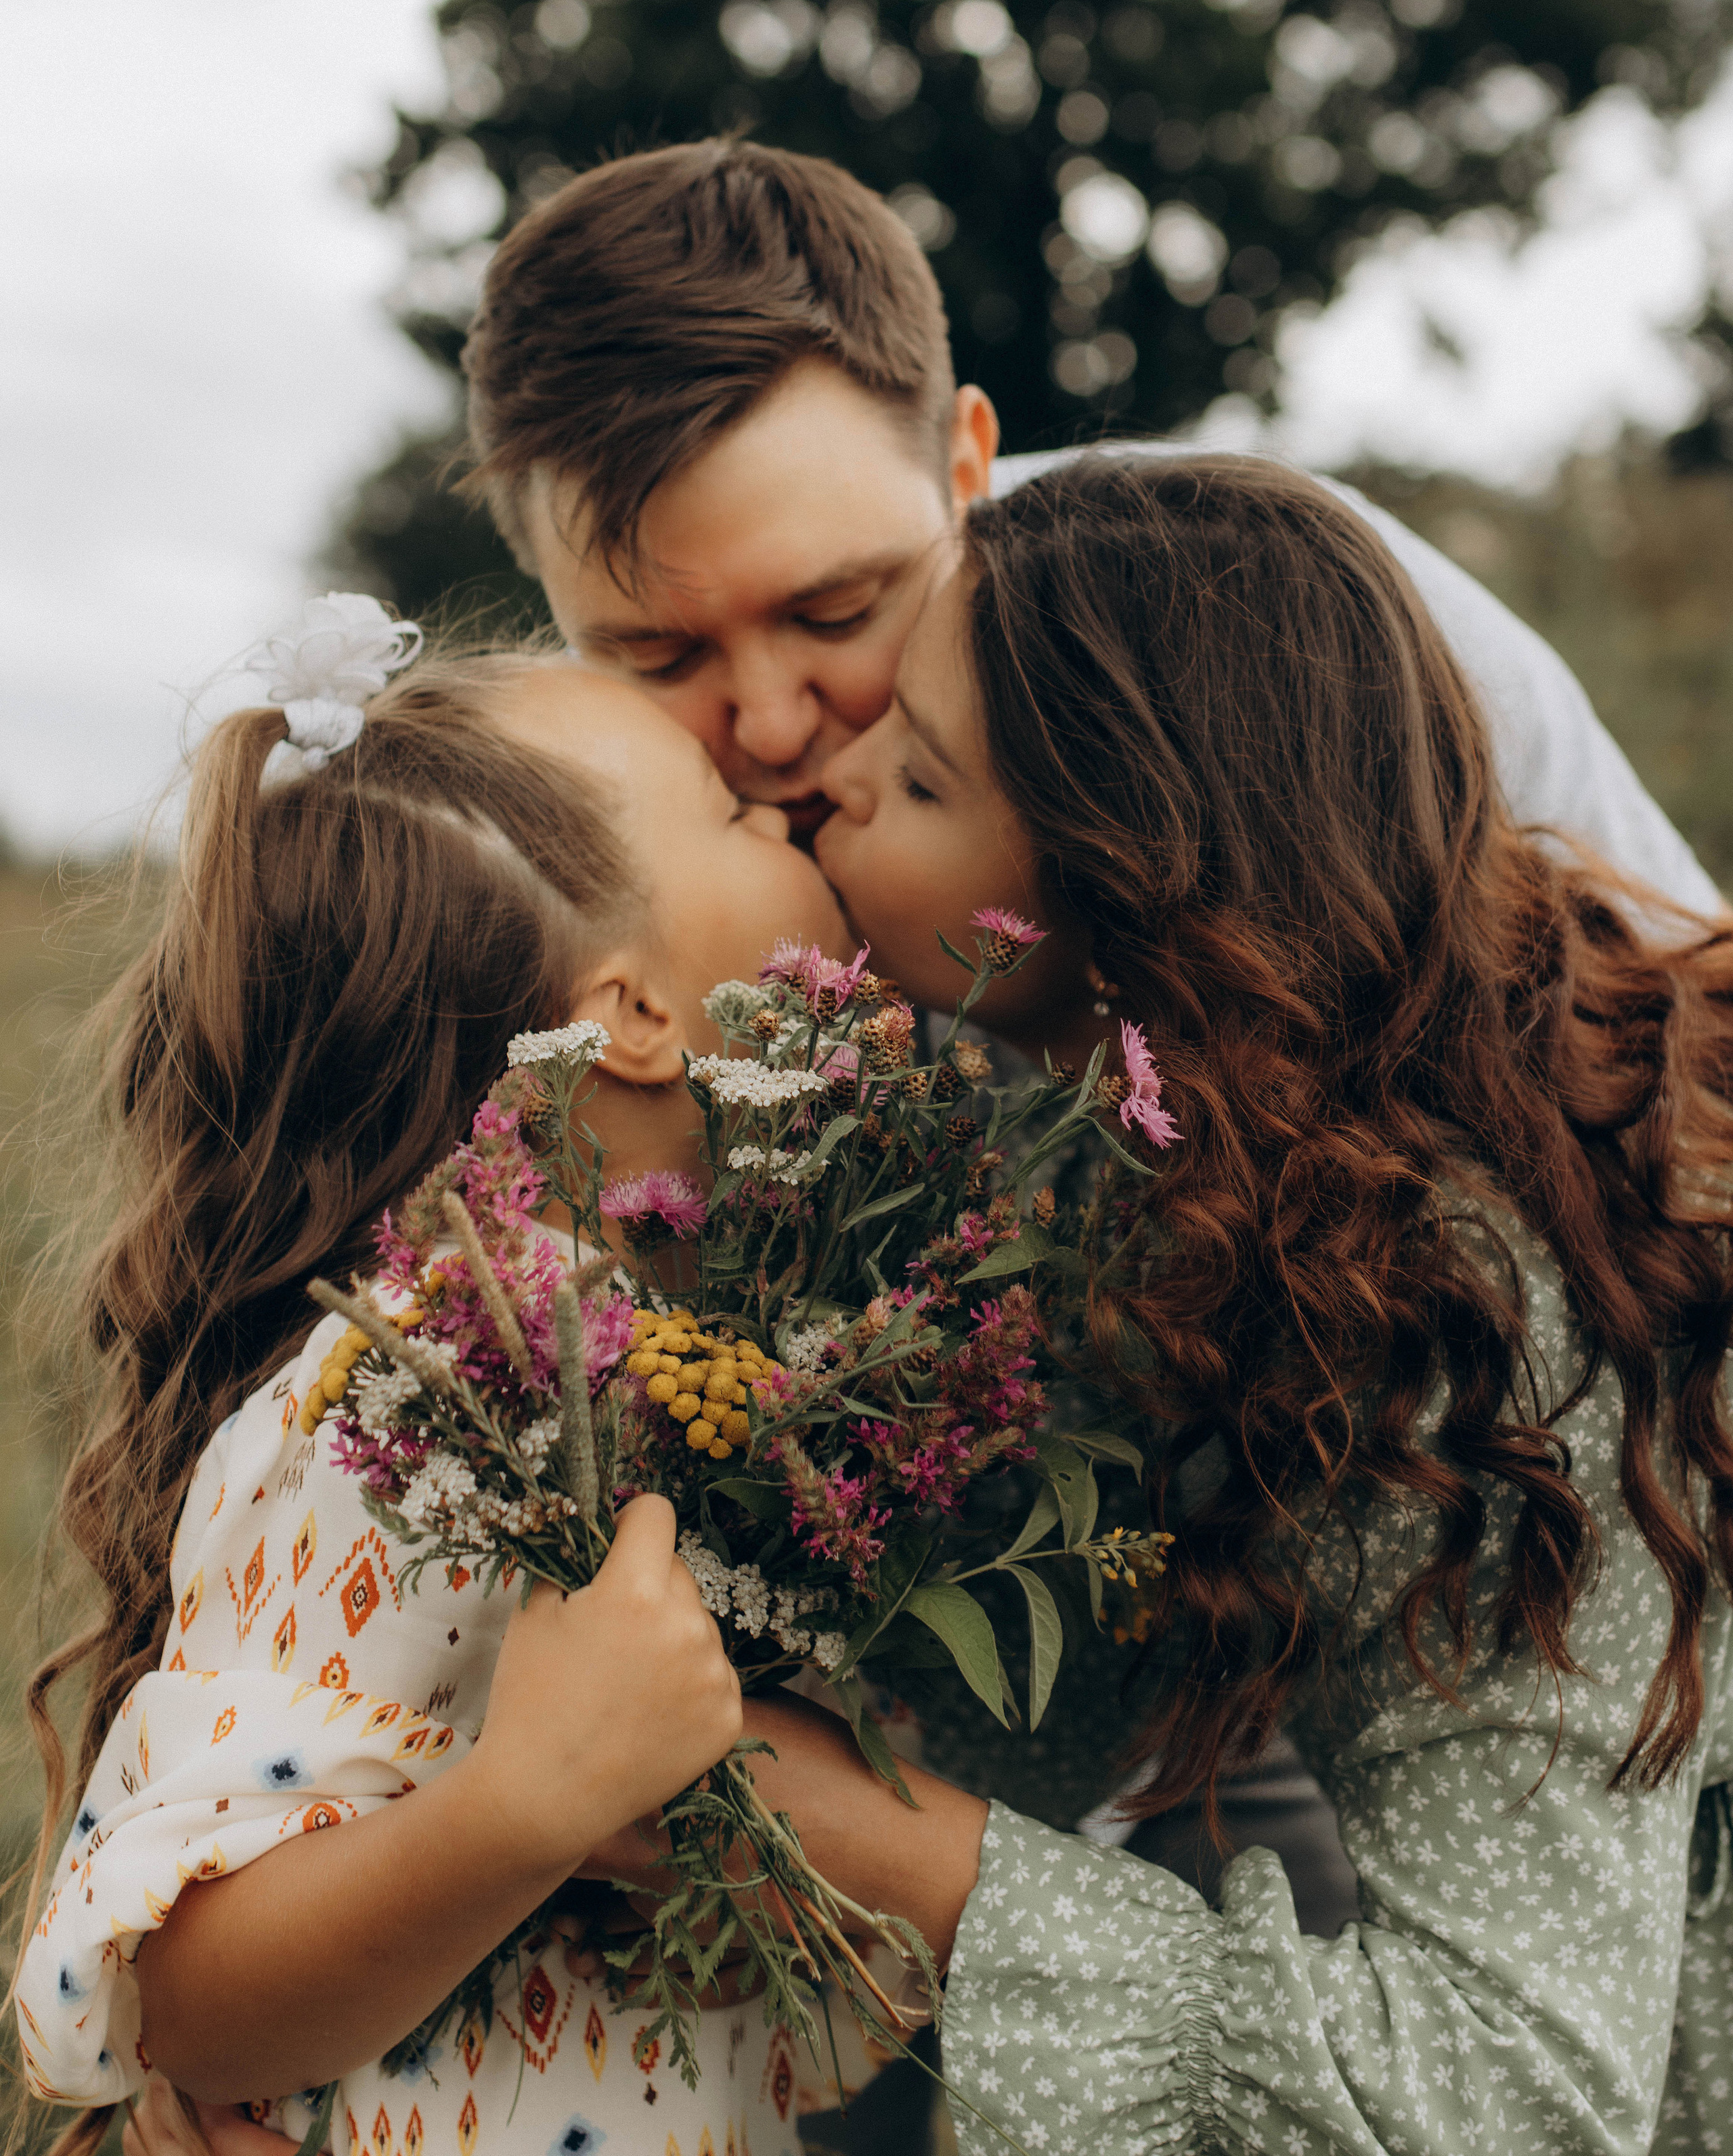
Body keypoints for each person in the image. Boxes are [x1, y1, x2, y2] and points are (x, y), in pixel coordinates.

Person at [677, 450, 1732, 2154]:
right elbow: (1047, 1692)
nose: (826, 778)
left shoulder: (1478, 1312)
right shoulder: (1142, 1166)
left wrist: (910, 1863)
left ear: (1127, 904)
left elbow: (1517, 2093)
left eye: (922, 775)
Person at [14, 604, 849, 2156]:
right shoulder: (386, 1401)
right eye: (737, 813)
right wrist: (524, 1806)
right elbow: (187, 2001)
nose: (794, 809)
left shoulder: (718, 1365)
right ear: (638, 1016)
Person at [462, 136, 1722, 919]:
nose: (778, 727)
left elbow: (1678, 1039)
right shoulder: (513, 859)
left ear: (970, 462)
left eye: (838, 609)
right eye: (656, 658)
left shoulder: (1282, 624)